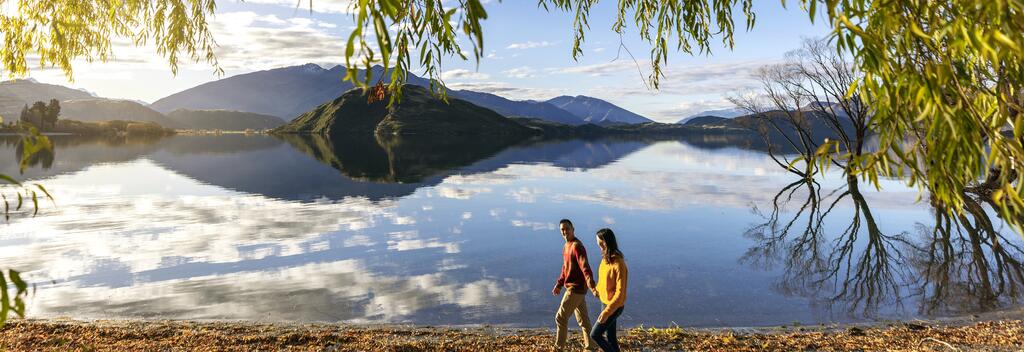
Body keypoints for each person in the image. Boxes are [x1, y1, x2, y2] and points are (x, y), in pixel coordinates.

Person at [553, 219, 597, 351]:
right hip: (575, 288)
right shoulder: (566, 246)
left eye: (567, 228)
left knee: (560, 317)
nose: (565, 232)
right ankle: (591, 346)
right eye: (562, 230)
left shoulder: (577, 246)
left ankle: (558, 347)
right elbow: (565, 268)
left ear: (573, 229)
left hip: (576, 289)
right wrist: (559, 284)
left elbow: (585, 268)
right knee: (584, 320)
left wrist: (592, 285)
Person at [589, 228, 628, 352]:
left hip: (614, 306)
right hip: (605, 302)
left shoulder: (619, 264)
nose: (600, 246)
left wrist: (607, 312)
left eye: (602, 243)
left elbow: (620, 294)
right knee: (610, 337)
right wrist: (596, 290)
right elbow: (603, 280)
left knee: (595, 334)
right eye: (598, 244)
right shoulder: (605, 259)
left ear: (608, 242)